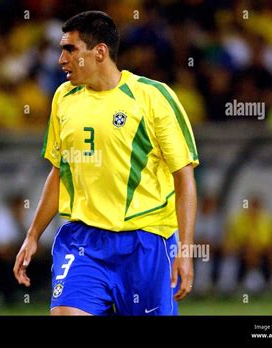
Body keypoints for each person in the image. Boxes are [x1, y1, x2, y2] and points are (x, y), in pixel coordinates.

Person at [13, 11, 199, 316]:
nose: (61, 60)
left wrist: (186, 250)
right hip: (84, 241)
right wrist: (32, 235)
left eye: (70, 49)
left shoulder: (153, 97)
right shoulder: (64, 98)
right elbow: (60, 172)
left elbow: (184, 178)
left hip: (146, 241)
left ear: (99, 52)